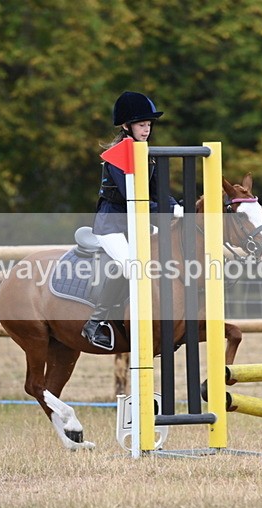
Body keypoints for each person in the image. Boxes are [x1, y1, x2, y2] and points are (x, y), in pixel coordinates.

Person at [81, 91, 183, 350]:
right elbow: (134, 199)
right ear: (127, 126)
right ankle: (95, 323)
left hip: (136, 223)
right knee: (132, 266)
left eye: (149, 124)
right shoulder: (117, 155)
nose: (147, 129)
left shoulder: (147, 153)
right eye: (141, 124)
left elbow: (158, 192)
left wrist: (179, 207)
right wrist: (168, 211)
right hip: (112, 225)